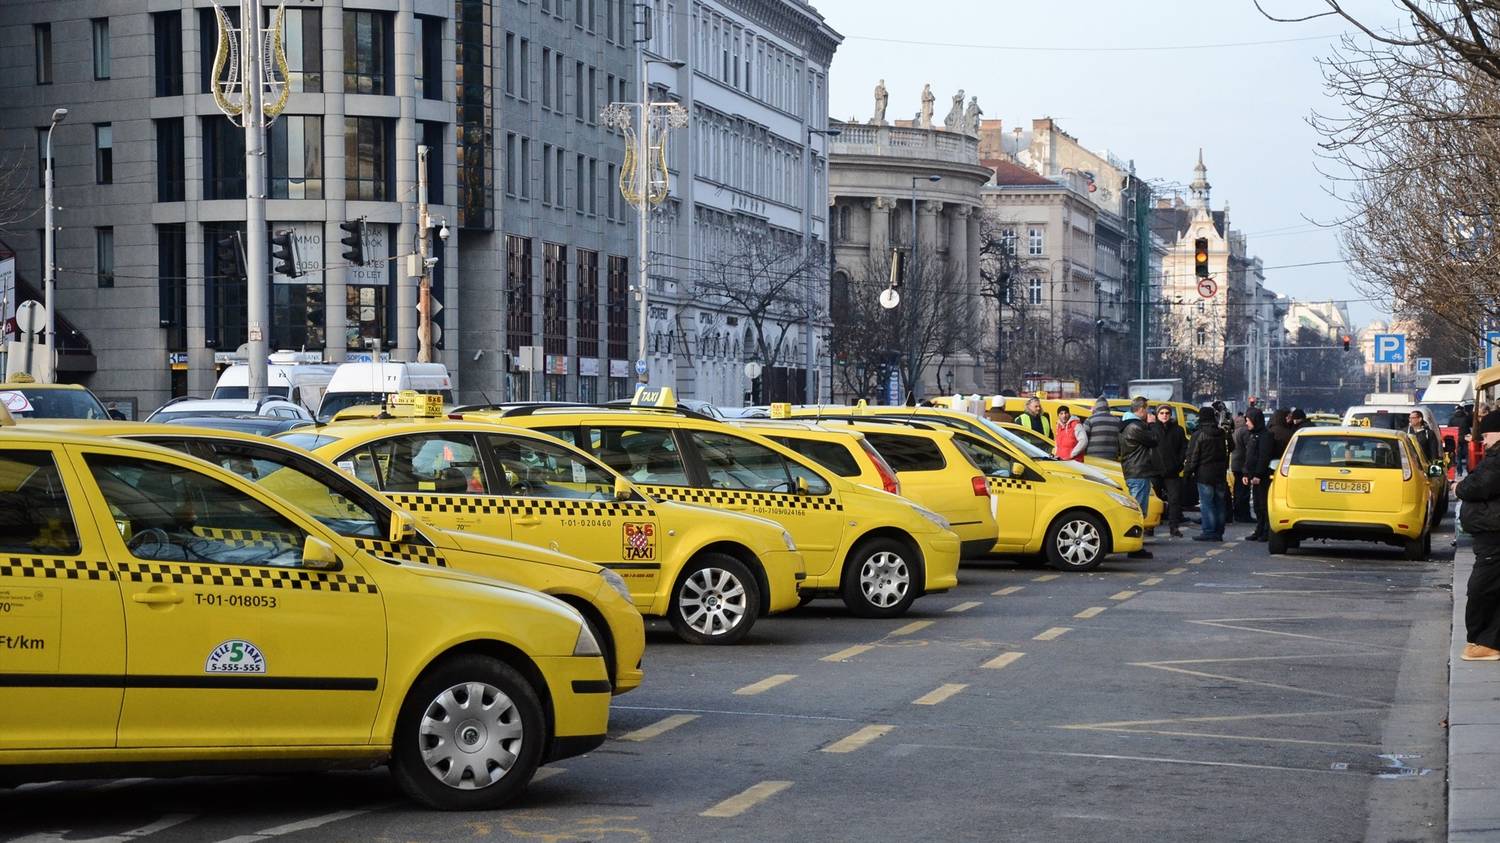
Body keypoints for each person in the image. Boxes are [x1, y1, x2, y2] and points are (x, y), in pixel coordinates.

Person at [1456, 443, 1500, 660]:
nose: (1484, 438)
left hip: (1493, 532)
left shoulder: (1497, 459)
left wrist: (1458, 487)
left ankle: (1485, 642)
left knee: (1481, 588)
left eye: (1487, 433)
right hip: (1489, 531)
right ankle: (1486, 641)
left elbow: (1478, 486)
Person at [1182, 405, 1230, 542]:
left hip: (1204, 473)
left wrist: (1187, 473)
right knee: (1220, 502)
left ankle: (1209, 531)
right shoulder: (1222, 433)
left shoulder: (1199, 434)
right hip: (1220, 473)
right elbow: (1230, 448)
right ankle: (1219, 531)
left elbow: (1193, 456)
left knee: (1207, 503)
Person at [1119, 396, 1159, 558]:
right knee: (1138, 511)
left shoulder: (1127, 425)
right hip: (1138, 471)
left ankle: (1135, 546)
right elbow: (1154, 440)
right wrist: (1152, 425)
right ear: (1141, 409)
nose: (1149, 413)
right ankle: (1134, 547)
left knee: (1138, 509)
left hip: (1134, 470)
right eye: (1147, 409)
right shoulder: (1135, 427)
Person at [1152, 405, 1188, 537]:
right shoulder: (1152, 428)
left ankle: (1174, 527)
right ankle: (1151, 527)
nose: (1164, 415)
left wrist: (1179, 464)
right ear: (1157, 414)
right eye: (1161, 413)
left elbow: (1184, 449)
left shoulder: (1178, 430)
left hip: (1172, 471)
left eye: (1167, 413)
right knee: (1155, 500)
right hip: (1155, 471)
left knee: (1174, 500)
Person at [1242, 408, 1274, 541]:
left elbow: (1263, 457)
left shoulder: (1265, 435)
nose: (1246, 424)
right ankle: (1259, 529)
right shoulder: (1252, 435)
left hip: (1262, 476)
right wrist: (1246, 473)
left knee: (1263, 505)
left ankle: (1266, 531)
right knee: (1256, 505)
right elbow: (1249, 456)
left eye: (1248, 421)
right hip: (1253, 475)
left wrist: (1258, 475)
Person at [1082, 397, 1122, 462]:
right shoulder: (1117, 421)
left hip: (1093, 458)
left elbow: (1083, 439)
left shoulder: (1090, 420)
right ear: (1108, 407)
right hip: (1112, 457)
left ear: (1096, 407)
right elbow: (1121, 441)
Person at [1230, 413, 1253, 523]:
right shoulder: (1245, 431)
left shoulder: (1235, 429)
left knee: (1237, 489)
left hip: (1235, 463)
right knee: (1243, 491)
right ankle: (1243, 515)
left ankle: (1238, 513)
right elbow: (1249, 448)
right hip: (1243, 464)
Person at [1450, 404, 1473, 475]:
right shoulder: (1466, 418)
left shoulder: (1452, 418)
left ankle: (1459, 472)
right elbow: (1471, 425)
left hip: (1456, 439)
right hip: (1466, 438)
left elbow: (1449, 428)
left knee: (1458, 456)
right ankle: (1469, 469)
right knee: (1467, 455)